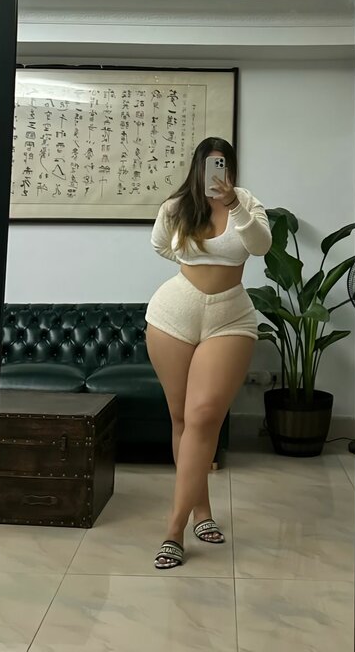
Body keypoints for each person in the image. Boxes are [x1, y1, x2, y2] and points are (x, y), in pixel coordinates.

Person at [145, 137, 272, 569]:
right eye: (209, 165)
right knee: (180, 418)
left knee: (202, 416)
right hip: (172, 315)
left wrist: (233, 204)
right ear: (198, 167)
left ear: (231, 167)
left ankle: (173, 529)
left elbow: (260, 246)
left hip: (230, 318)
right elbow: (160, 245)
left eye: (223, 164)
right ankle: (201, 512)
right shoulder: (177, 207)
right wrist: (193, 266)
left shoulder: (247, 203)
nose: (216, 173)